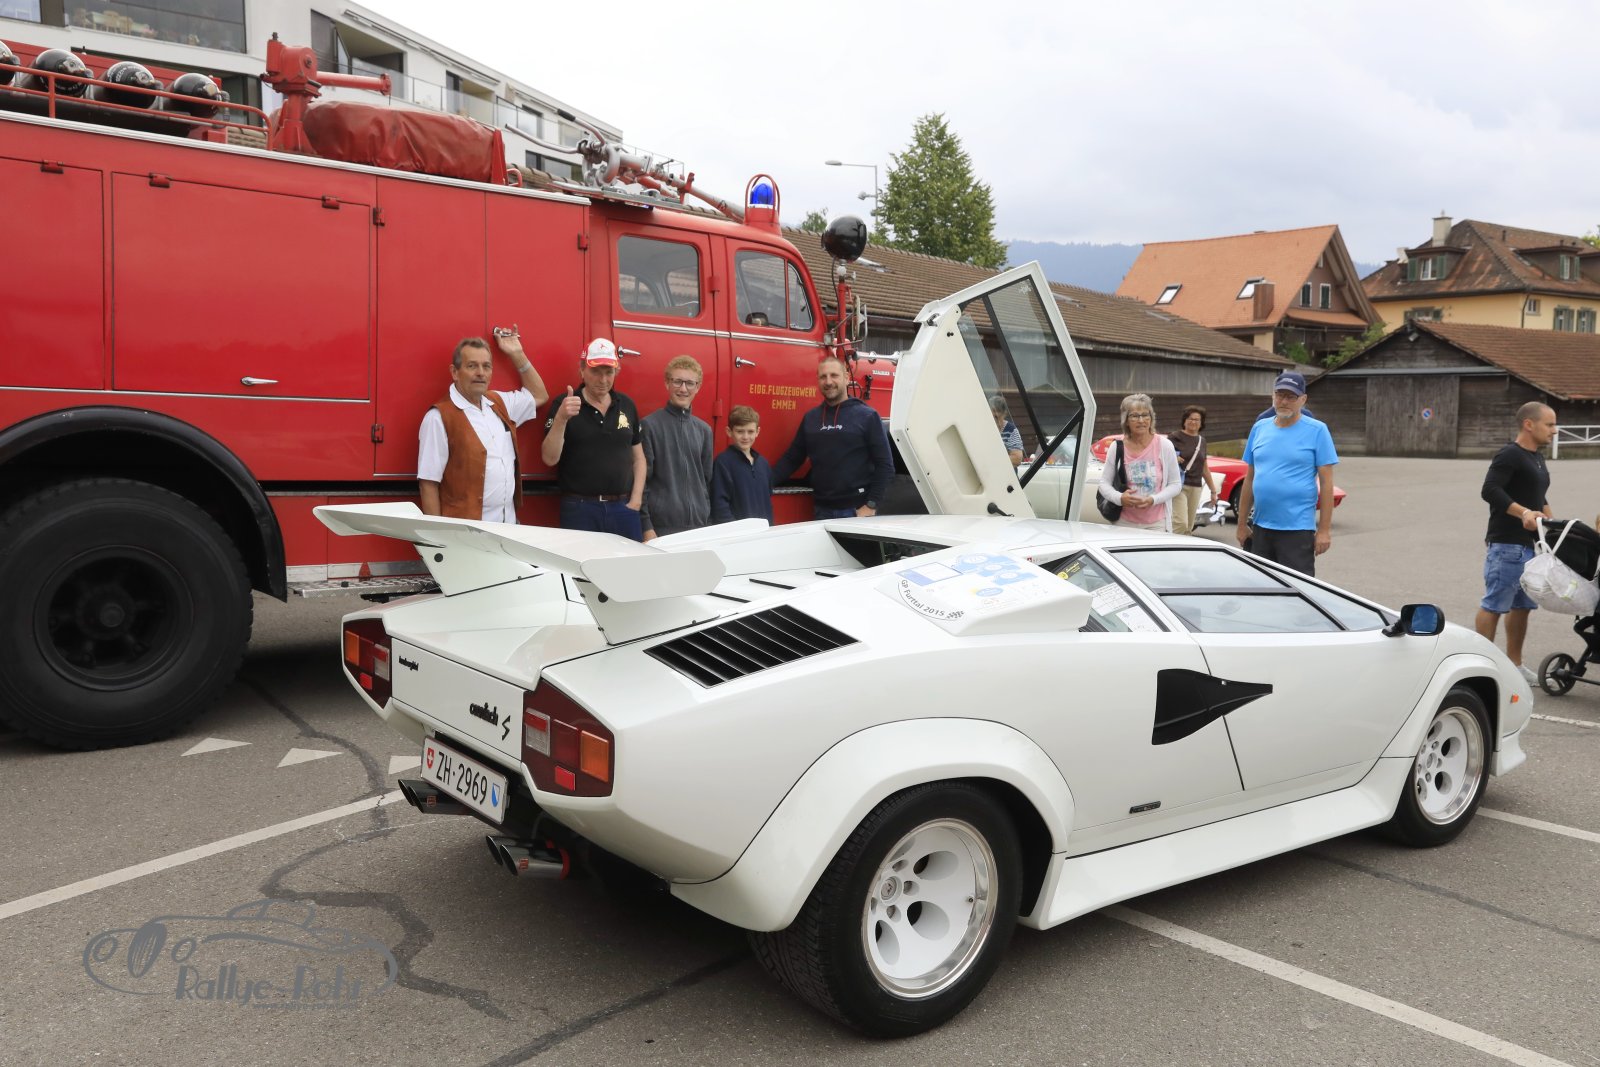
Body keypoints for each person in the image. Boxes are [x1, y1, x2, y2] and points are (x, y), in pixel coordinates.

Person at [418, 330, 549, 522]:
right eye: (472, 366)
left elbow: (539, 395)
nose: (480, 372)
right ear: (455, 372)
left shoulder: (500, 403)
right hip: (466, 533)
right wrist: (437, 536)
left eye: (486, 366)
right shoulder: (438, 418)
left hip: (508, 528)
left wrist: (517, 354)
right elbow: (428, 484)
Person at [1476, 401, 1556, 682]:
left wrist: (1554, 528)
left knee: (1522, 607)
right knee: (1494, 605)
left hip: (1530, 546)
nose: (1554, 430)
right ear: (1529, 424)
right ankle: (1480, 667)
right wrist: (1523, 513)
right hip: (1507, 545)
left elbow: (1539, 497)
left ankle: (1515, 666)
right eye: (1550, 424)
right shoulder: (1510, 454)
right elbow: (1490, 490)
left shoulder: (1537, 458)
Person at [1235, 370, 1338, 575]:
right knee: (1261, 586)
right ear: (1273, 396)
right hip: (1260, 527)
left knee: (1296, 588)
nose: (1284, 401)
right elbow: (1250, 478)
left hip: (1297, 530)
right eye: (1280, 395)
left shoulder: (1317, 430)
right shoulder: (1259, 428)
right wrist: (1241, 524)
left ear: (1303, 400)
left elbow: (1327, 484)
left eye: (1291, 396)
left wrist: (1324, 530)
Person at [541, 338, 646, 539]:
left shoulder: (627, 404)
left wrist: (636, 500)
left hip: (624, 509)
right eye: (596, 371)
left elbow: (639, 458)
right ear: (582, 370)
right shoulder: (564, 404)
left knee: (630, 560)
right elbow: (549, 458)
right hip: (580, 509)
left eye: (609, 372)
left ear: (616, 372)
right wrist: (561, 418)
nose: (603, 379)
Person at [772, 357, 892, 519]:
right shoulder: (811, 418)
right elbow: (792, 458)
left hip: (856, 511)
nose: (828, 382)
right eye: (823, 377)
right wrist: (763, 483)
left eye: (834, 375)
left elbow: (885, 465)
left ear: (846, 378)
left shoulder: (867, 416)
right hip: (822, 510)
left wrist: (871, 505)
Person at [639, 356, 713, 541]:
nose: (683, 389)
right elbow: (641, 482)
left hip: (699, 528)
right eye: (677, 381)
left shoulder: (704, 431)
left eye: (690, 383)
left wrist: (707, 520)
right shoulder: (649, 426)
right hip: (661, 529)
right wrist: (646, 526)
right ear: (667, 383)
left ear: (698, 387)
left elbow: (706, 482)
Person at [1099, 393, 1182, 531]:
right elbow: (1104, 483)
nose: (1141, 420)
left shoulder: (1164, 445)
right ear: (1126, 420)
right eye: (1134, 416)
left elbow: (1175, 484)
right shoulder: (1117, 447)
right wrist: (1120, 498)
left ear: (1151, 418)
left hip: (1156, 524)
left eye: (1145, 415)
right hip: (1124, 523)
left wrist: (1153, 500)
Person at [710, 405, 774, 523]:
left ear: (757, 432)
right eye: (740, 431)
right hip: (738, 533)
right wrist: (735, 531)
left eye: (750, 431)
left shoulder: (763, 464)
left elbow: (768, 502)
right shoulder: (723, 463)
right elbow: (720, 506)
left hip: (764, 531)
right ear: (729, 432)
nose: (745, 437)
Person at [1168, 405, 1222, 536]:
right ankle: (1169, 544)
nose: (1193, 422)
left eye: (1197, 419)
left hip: (1196, 487)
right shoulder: (1175, 437)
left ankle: (1183, 547)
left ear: (1201, 423)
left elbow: (1204, 467)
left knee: (1189, 526)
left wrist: (1213, 491)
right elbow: (1162, 456)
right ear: (1184, 421)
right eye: (1190, 419)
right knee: (1180, 523)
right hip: (1179, 485)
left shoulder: (1201, 441)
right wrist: (1173, 457)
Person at [990, 395, 1024, 467]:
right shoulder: (982, 428)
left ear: (1004, 414)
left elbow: (1017, 459)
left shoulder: (1011, 430)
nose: (993, 418)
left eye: (996, 416)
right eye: (991, 413)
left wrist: (992, 460)